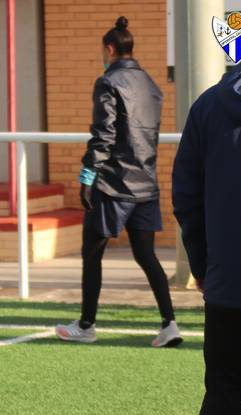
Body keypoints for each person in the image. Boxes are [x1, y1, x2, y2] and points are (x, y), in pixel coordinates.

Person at [173, 1, 241, 415]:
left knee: (223, 394)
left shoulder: (208, 104)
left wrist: (203, 266)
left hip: (229, 279)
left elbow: (186, 197)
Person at [56, 16, 182, 347]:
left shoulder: (108, 81)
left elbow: (104, 134)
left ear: (109, 49)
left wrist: (87, 175)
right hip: (146, 183)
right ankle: (169, 323)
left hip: (113, 185)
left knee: (92, 252)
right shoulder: (150, 83)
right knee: (146, 255)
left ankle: (86, 325)